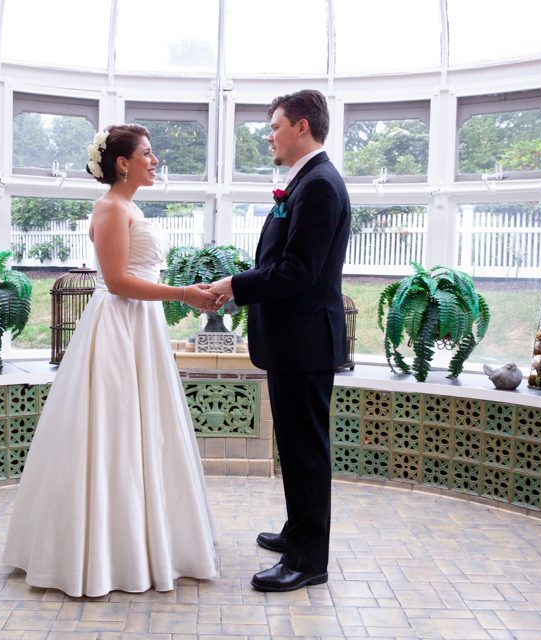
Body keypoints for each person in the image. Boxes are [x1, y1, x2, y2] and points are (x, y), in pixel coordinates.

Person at [3, 124, 218, 597]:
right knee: (114, 431)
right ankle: (102, 555)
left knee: (143, 432)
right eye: (147, 153)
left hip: (142, 326)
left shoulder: (131, 207)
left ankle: (144, 541)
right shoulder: (110, 207)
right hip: (118, 326)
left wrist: (188, 292)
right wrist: (185, 294)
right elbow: (118, 281)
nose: (155, 161)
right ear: (123, 163)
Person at [209, 90, 351, 592]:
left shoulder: (320, 185)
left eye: (274, 126)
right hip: (295, 340)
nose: (269, 136)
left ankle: (309, 560)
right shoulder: (306, 181)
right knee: (293, 446)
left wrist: (235, 286)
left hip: (305, 342)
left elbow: (298, 271)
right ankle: (297, 532)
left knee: (306, 450)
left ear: (302, 127)